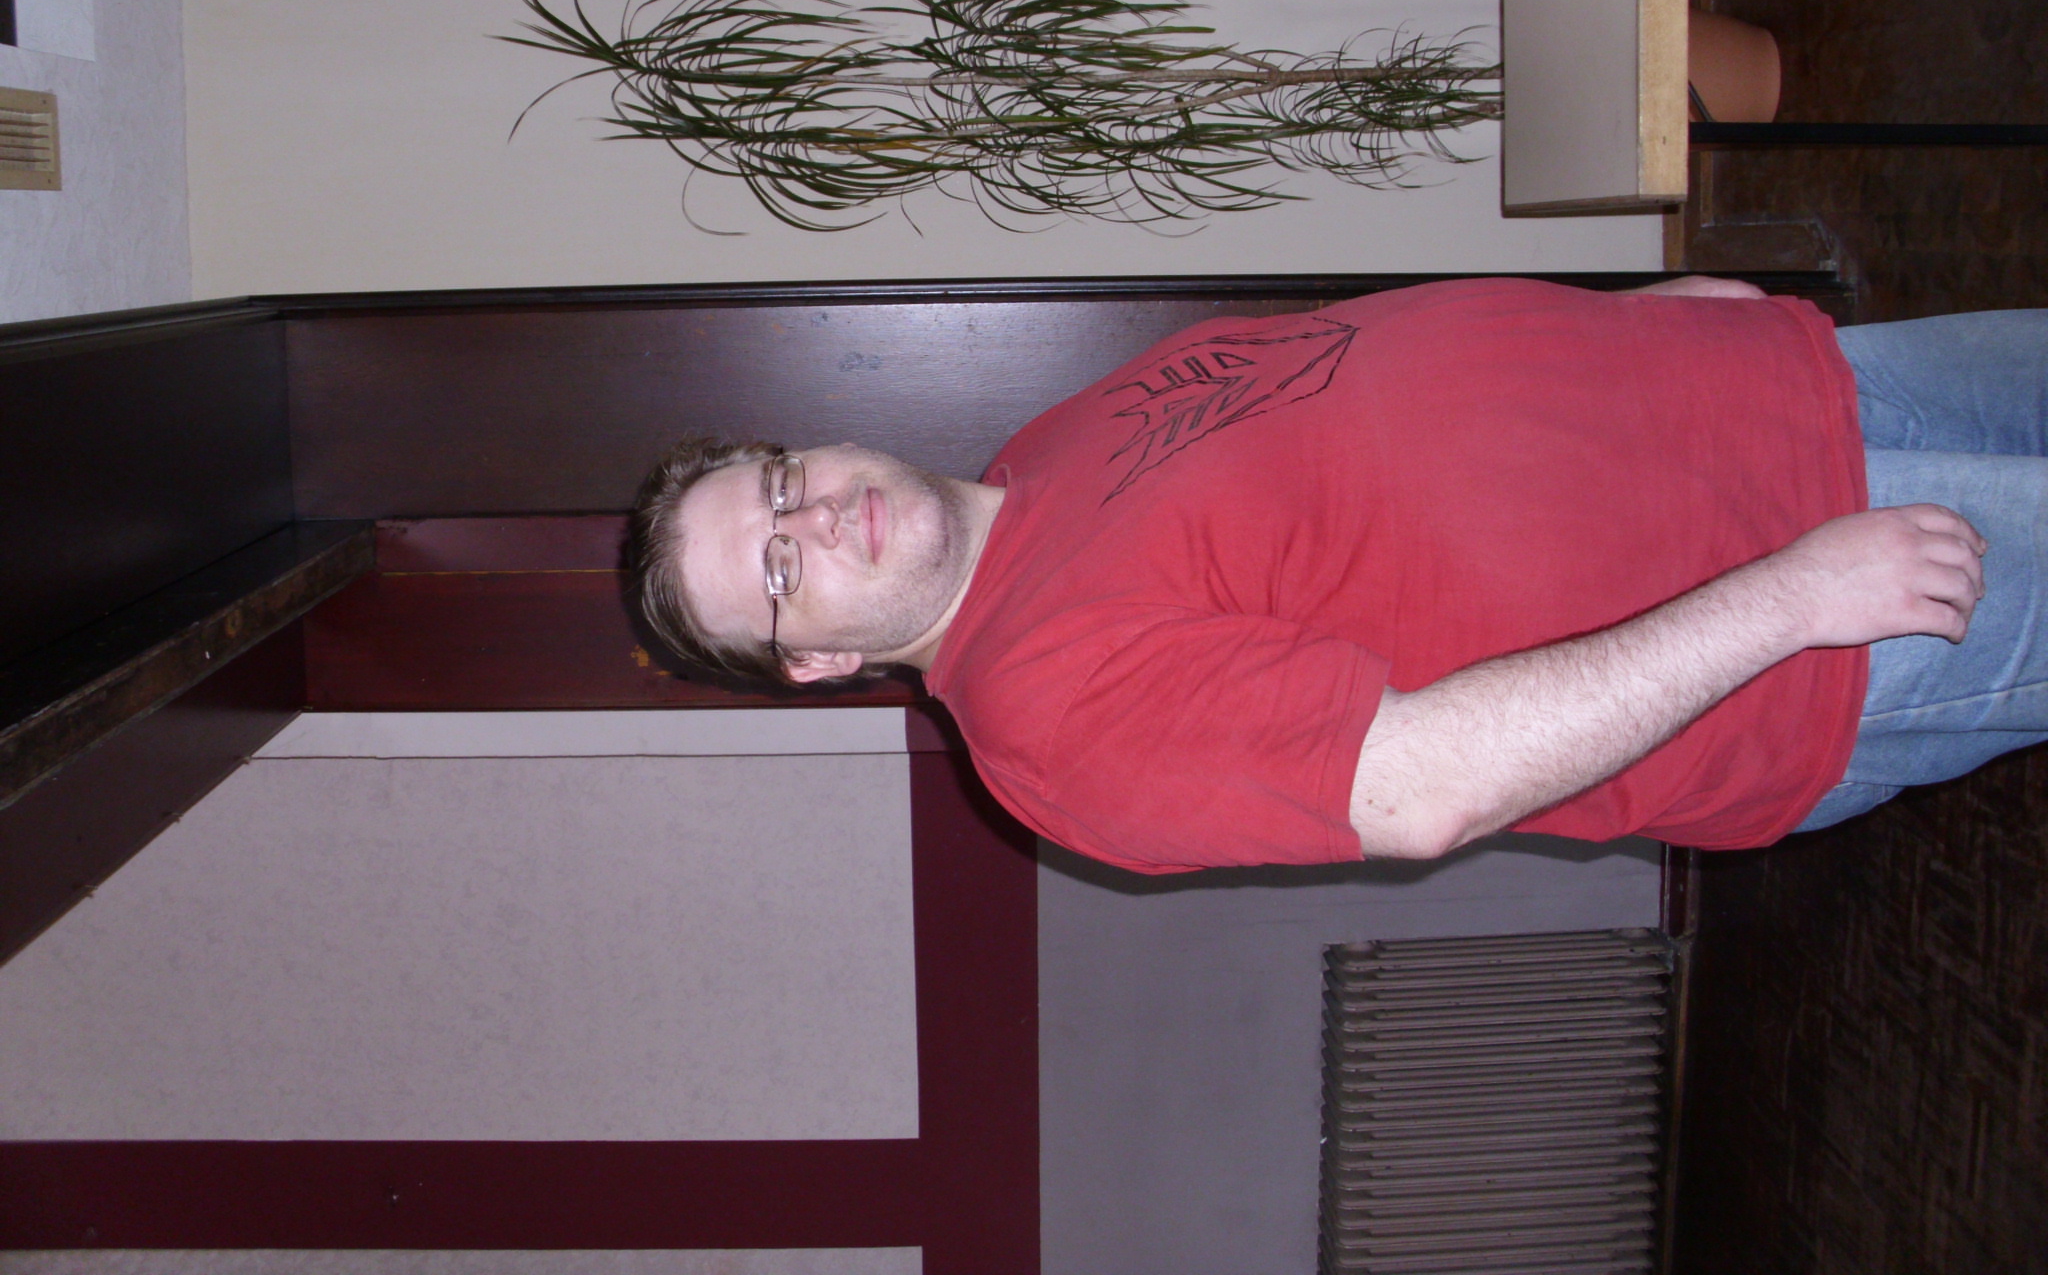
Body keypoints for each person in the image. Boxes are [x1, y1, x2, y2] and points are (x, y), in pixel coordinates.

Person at [628, 276, 2044, 874]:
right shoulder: (1042, 723)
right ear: (818, 660)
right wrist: (1796, 597)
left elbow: (1363, 378)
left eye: (779, 484)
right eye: (779, 568)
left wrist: (1643, 323)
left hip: (1804, 385)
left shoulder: (1042, 451)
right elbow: (1425, 788)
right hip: (1832, 626)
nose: (818, 517)